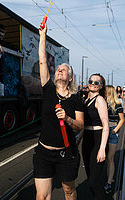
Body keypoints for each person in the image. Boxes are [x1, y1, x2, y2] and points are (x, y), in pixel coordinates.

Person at [33, 24, 84, 200]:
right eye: (58, 70)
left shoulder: (76, 98)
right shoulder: (48, 89)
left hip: (66, 153)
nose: (59, 71)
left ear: (70, 78)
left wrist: (68, 118)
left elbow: (80, 125)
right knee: (42, 196)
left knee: (68, 191)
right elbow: (42, 60)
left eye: (64, 70)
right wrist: (42, 36)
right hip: (44, 153)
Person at [81, 73, 109, 200]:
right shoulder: (86, 100)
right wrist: (79, 138)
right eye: (91, 81)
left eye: (96, 82)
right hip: (87, 139)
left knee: (94, 180)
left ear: (101, 86)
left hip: (98, 140)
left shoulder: (100, 100)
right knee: (90, 177)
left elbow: (106, 126)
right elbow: (85, 125)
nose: (93, 83)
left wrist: (102, 148)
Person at [104, 85, 125, 194]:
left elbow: (122, 119)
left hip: (112, 131)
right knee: (106, 159)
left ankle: (109, 182)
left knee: (110, 158)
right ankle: (109, 177)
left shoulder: (117, 105)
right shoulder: (104, 104)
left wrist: (115, 130)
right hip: (104, 131)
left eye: (105, 92)